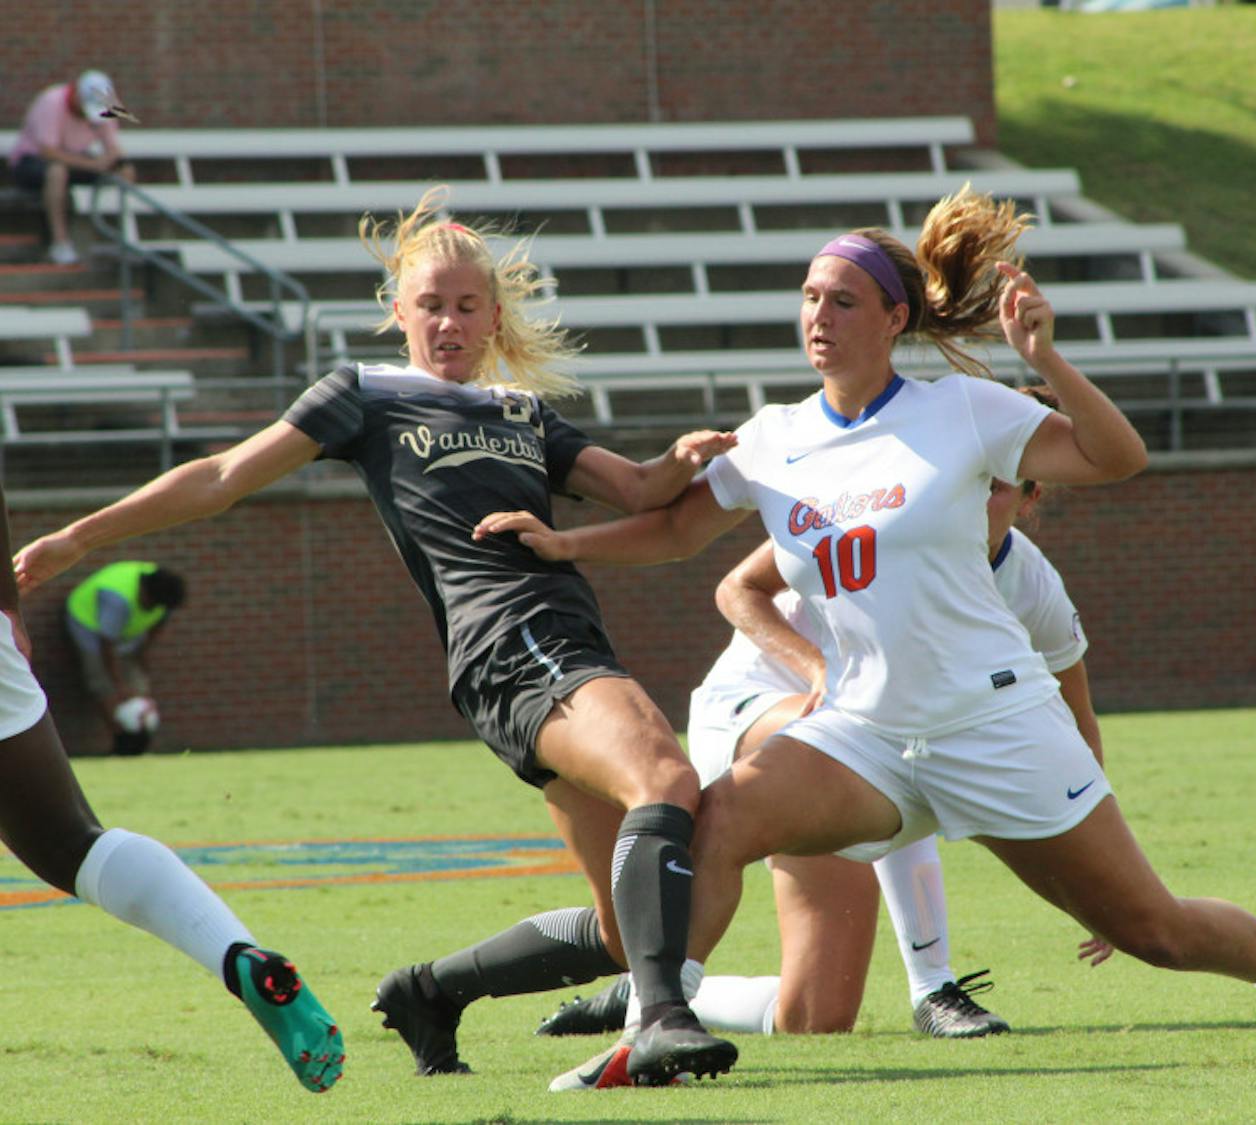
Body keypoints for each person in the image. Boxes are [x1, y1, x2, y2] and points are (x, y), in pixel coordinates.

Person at [480, 185, 1256, 1087]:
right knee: (715, 821)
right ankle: (656, 1031)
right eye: (808, 296)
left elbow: (1117, 458)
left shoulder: (961, 407)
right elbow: (677, 530)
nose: (819, 315)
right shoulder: (774, 436)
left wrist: (1049, 357)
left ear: (894, 317)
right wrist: (568, 543)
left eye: (843, 300)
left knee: (1155, 930)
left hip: (989, 722)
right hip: (865, 734)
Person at [12, 186, 739, 1089]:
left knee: (631, 920)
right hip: (514, 642)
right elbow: (222, 476)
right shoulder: (364, 394)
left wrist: (687, 460)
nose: (448, 320)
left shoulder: (523, 412)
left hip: (558, 639)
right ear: (397, 310)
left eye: (467, 305)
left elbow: (636, 490)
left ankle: (429, 992)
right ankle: (664, 1015)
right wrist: (79, 536)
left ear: (494, 315)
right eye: (429, 302)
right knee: (666, 780)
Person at [537, 386, 1104, 1044]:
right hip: (753, 706)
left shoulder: (1031, 583)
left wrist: (1096, 876)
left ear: (1034, 496)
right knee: (894, 733)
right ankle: (934, 986)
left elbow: (1077, 714)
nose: (977, 495)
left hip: (849, 737)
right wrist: (817, 667)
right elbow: (736, 587)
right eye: (973, 477)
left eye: (999, 487)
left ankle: (644, 991)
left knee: (815, 1015)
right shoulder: (882, 514)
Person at [0, 482, 342, 1092]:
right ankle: (237, 957)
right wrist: (9, 613)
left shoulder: (149, 599)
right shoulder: (119, 592)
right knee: (72, 844)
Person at [7, 69, 137, 266]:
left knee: (123, 171)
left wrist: (122, 164)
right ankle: (60, 243)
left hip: (76, 158)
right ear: (75, 93)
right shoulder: (51, 102)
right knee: (57, 172)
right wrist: (94, 164)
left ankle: (124, 237)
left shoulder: (105, 107)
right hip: (31, 162)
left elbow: (112, 147)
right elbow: (48, 151)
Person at [63, 560, 186, 755]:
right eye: (152, 605)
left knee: (137, 684)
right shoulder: (117, 599)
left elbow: (158, 624)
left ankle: (141, 737)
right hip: (89, 626)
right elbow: (106, 646)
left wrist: (143, 654)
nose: (154, 609)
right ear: (145, 593)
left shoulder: (164, 593)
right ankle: (123, 741)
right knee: (102, 682)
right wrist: (119, 685)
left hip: (126, 629)